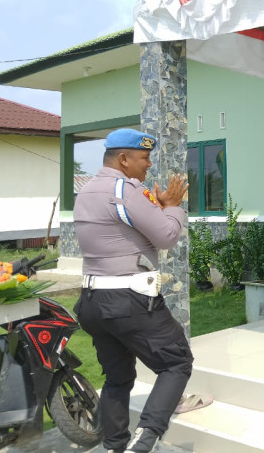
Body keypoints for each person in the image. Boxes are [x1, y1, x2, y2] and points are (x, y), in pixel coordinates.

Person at [73, 129, 192, 453]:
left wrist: (154, 205)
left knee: (118, 377)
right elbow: (166, 235)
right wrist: (173, 206)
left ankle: (115, 446)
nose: (149, 164)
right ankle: (146, 439)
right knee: (176, 363)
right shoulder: (123, 191)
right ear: (123, 159)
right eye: (143, 158)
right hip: (128, 300)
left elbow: (125, 231)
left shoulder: (87, 190)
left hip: (92, 302)